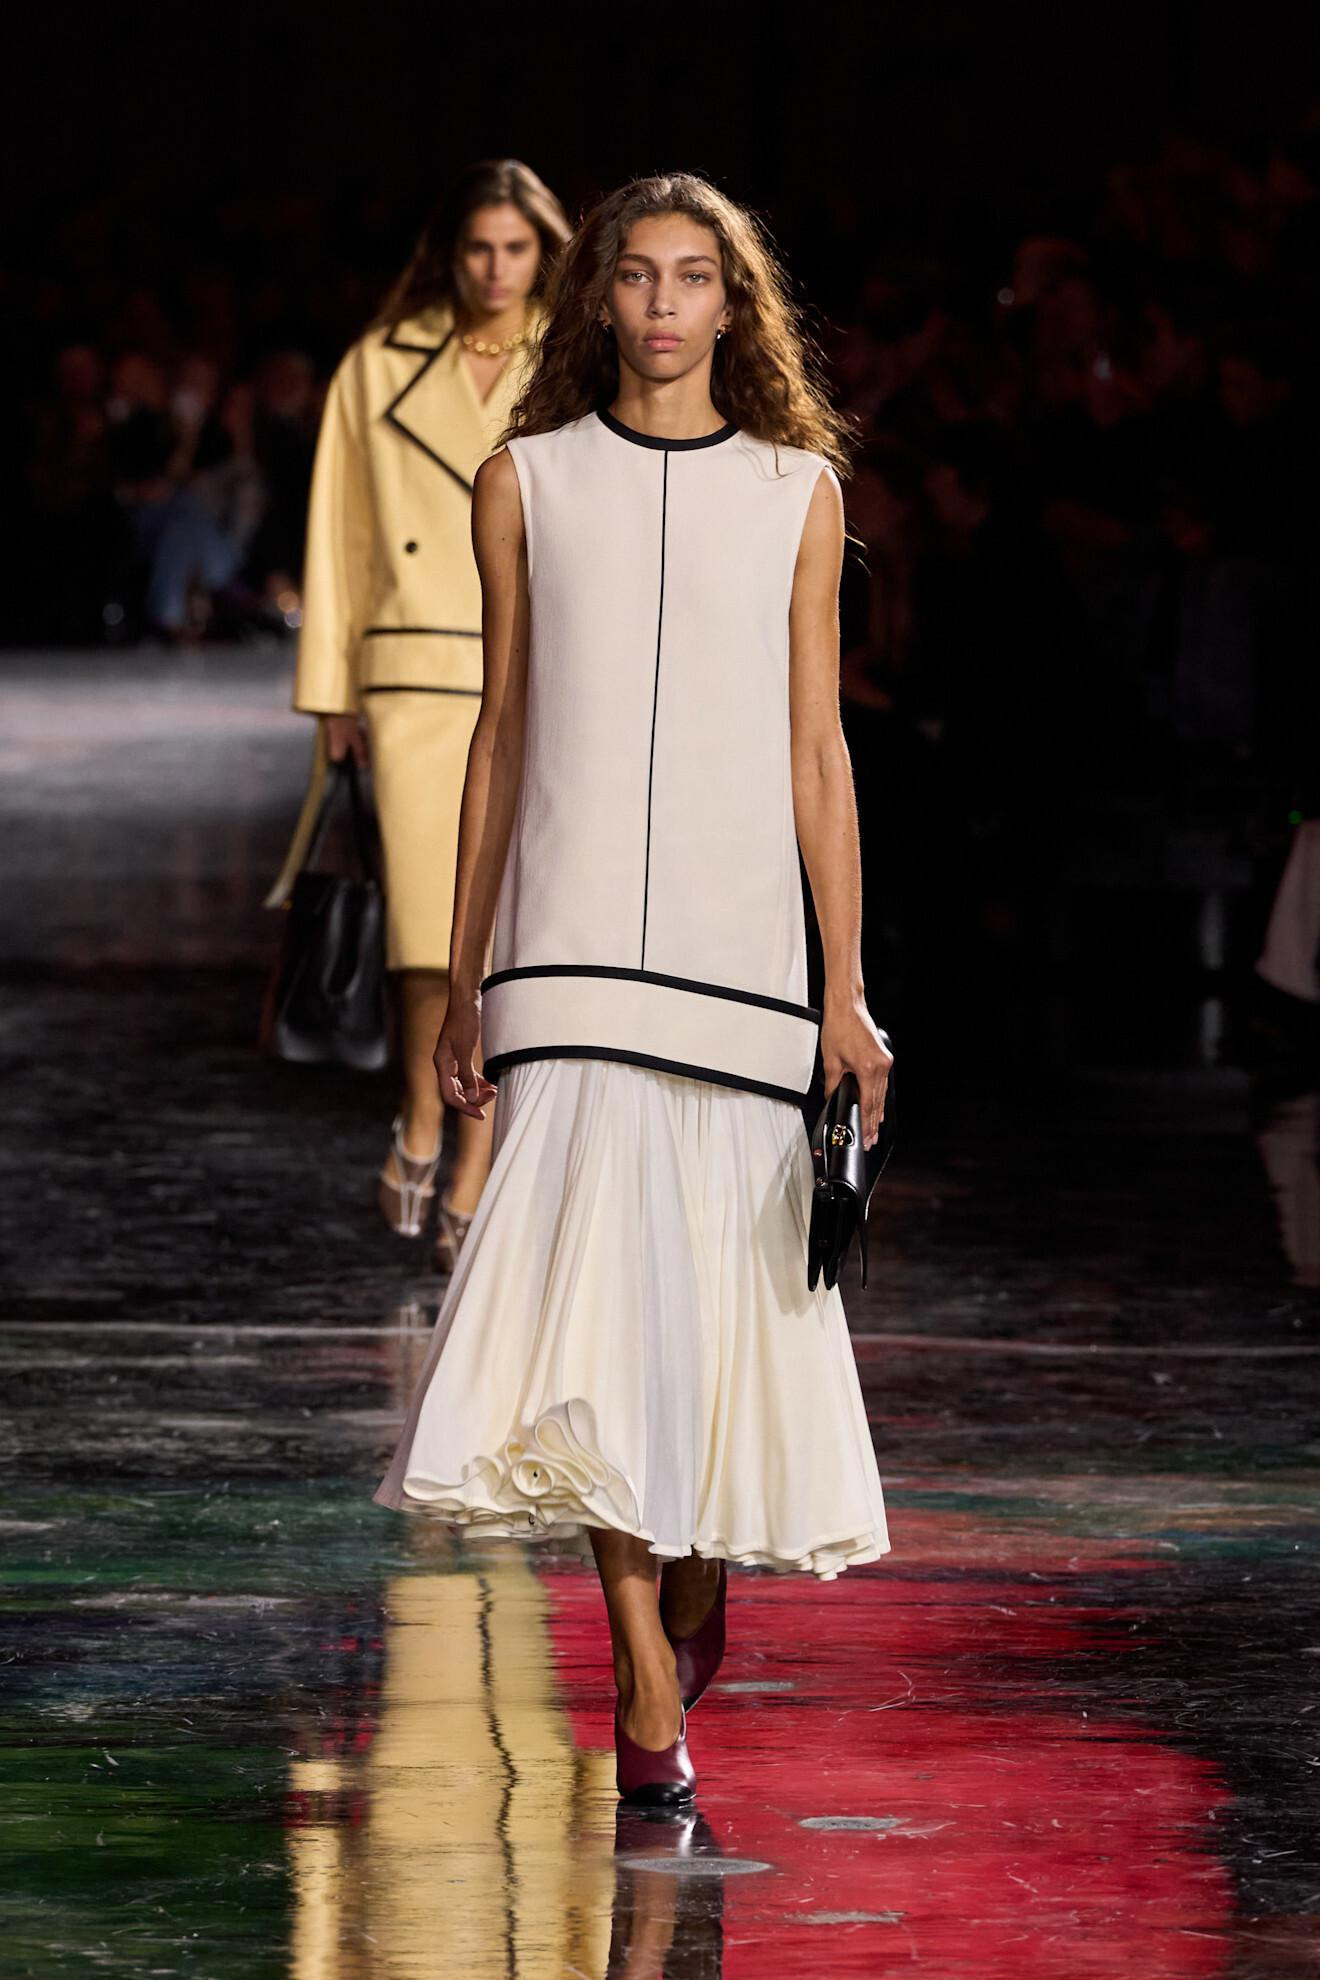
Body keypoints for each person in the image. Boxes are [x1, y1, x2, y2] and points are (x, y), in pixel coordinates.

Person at [374, 172, 893, 1805]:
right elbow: (500, 735)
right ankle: (641, 1671)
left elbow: (819, 748)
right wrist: (465, 974)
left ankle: (693, 1560)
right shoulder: (526, 479)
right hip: (571, 940)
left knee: (715, 1305)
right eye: (639, 276)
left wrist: (847, 990)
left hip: (743, 956)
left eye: (694, 277)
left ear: (735, 306)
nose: (665, 303)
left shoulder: (797, 493)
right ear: (596, 297)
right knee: (594, 1308)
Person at [284, 160, 571, 1270]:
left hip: (530, 666)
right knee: (421, 931)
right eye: (479, 249)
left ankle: (473, 1159)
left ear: (544, 252)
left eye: (517, 249)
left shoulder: (571, 360)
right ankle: (418, 1105)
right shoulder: (379, 364)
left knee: (498, 929)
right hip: (406, 668)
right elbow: (339, 533)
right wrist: (330, 694)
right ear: (448, 254)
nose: (497, 270)